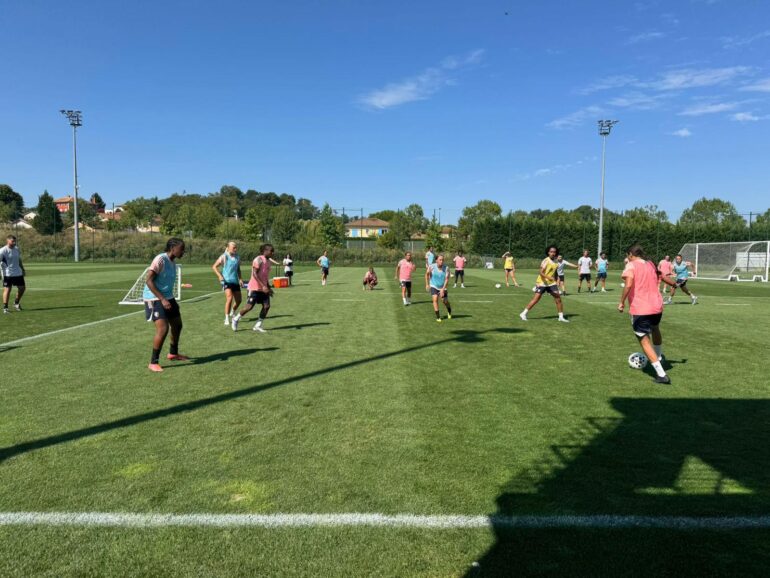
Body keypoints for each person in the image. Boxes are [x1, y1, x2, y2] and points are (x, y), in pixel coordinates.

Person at [618, 244, 677, 384]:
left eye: (627, 256)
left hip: (641, 308)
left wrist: (621, 302)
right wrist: (674, 284)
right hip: (657, 306)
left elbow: (628, 284)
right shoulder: (651, 264)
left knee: (644, 340)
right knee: (655, 328)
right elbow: (662, 276)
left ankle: (661, 374)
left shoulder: (631, 265)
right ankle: (658, 357)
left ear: (630, 254)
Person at [143, 238, 188, 372]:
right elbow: (148, 280)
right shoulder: (160, 259)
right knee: (163, 329)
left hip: (168, 297)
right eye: (181, 249)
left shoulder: (173, 263)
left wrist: (169, 299)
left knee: (177, 325)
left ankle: (173, 353)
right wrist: (162, 299)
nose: (183, 252)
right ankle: (153, 362)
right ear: (173, 248)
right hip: (154, 297)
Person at [232, 244, 275, 333]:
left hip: (263, 288)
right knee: (249, 307)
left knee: (266, 306)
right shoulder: (258, 259)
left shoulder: (268, 262)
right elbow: (255, 274)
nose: (273, 253)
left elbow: (265, 277)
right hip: (254, 288)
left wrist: (268, 287)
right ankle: (236, 319)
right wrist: (263, 286)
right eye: (271, 251)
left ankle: (257, 326)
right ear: (265, 251)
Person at [520, 245, 568, 323]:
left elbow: (555, 272)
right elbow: (541, 272)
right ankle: (523, 314)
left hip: (551, 283)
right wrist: (549, 277)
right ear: (548, 252)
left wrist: (557, 280)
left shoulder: (556, 261)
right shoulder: (546, 261)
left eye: (554, 252)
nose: (553, 253)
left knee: (558, 298)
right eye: (551, 252)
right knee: (536, 299)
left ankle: (561, 317)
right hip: (542, 283)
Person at [212, 241, 243, 326]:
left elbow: (238, 269)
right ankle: (226, 318)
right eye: (233, 248)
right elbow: (214, 266)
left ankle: (232, 312)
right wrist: (219, 276)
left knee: (239, 300)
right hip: (227, 281)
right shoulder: (224, 256)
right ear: (228, 248)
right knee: (229, 298)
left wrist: (240, 279)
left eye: (236, 247)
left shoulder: (237, 257)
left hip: (235, 281)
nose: (235, 249)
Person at [1, 235, 26, 314]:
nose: (14, 243)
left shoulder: (16, 249)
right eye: (12, 241)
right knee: (7, 289)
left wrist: (22, 269)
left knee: (22, 288)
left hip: (18, 272)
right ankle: (5, 308)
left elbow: (19, 260)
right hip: (8, 273)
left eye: (15, 241)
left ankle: (16, 303)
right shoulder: (2, 250)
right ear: (7, 241)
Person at [426, 254, 453, 322]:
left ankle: (449, 310)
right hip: (434, 285)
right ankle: (438, 317)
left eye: (442, 260)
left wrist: (443, 289)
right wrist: (427, 284)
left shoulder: (446, 268)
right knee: (435, 299)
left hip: (443, 286)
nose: (441, 261)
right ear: (436, 260)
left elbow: (447, 279)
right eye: (440, 260)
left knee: (444, 301)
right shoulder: (431, 266)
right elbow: (426, 275)